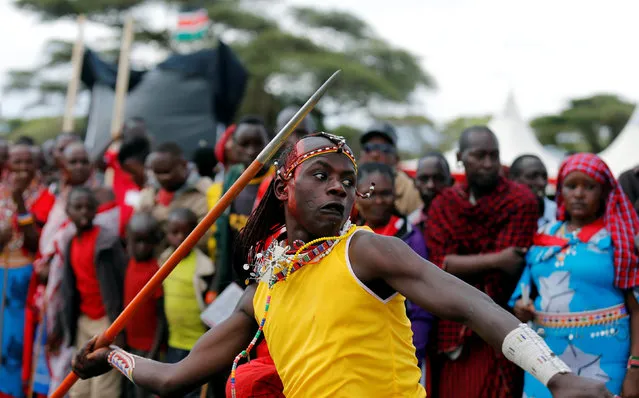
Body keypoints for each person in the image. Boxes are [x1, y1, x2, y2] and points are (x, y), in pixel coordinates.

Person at [72, 132, 613, 398]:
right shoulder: (264, 288)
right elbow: (174, 378)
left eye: (346, 180)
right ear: (284, 186)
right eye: (321, 175)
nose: (339, 186)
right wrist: (112, 356)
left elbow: (472, 303)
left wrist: (556, 376)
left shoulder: (366, 251)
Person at [509, 153, 639, 398]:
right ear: (560, 192)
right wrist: (521, 307)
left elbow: (638, 309)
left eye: (589, 187)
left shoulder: (619, 239)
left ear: (604, 193)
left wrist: (636, 368)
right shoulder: (544, 235)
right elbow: (524, 293)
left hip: (606, 360)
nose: (579, 194)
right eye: (571, 186)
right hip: (546, 361)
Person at [425, 126, 539, 398]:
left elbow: (509, 269)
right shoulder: (445, 203)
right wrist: (496, 259)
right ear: (460, 157)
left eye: (494, 155)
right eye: (479, 155)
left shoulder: (520, 200)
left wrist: (458, 263)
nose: (489, 164)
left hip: (500, 323)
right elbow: (438, 266)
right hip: (451, 326)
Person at [354, 162, 433, 373]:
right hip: (357, 350)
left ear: (396, 195)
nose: (379, 201)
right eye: (371, 194)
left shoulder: (410, 236)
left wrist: (413, 357)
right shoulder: (347, 235)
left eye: (386, 193)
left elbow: (421, 305)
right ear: (357, 195)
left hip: (401, 349)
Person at [59, 186, 127, 398]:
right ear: (68, 211)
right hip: (84, 320)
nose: (83, 213)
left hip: (106, 321)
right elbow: (70, 288)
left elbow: (123, 282)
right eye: (77, 207)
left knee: (104, 388)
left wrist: (120, 327)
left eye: (89, 207)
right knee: (79, 385)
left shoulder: (107, 242)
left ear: (96, 210)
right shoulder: (70, 242)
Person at [0, 144, 54, 398]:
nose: (22, 168)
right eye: (16, 162)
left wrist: (21, 206)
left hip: (26, 279)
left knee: (18, 339)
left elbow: (35, 243)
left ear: (36, 165)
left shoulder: (45, 197)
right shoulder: (1, 190)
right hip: (1, 272)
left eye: (27, 163)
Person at [208, 116, 271, 295]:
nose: (251, 151)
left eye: (258, 143)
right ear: (233, 146)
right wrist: (216, 284)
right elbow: (222, 232)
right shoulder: (232, 178)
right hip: (233, 274)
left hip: (264, 278)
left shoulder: (278, 180)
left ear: (270, 143)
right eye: (244, 144)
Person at [160, 208, 214, 398]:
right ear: (167, 233)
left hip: (197, 345)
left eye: (188, 233)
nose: (181, 238)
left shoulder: (205, 266)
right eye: (175, 233)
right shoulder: (164, 261)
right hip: (174, 342)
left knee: (193, 392)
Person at [137, 142, 212, 253]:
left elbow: (207, 238)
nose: (161, 178)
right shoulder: (149, 195)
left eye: (166, 172)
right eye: (157, 172)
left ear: (183, 164)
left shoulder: (205, 192)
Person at [124, 212, 166, 398]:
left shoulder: (155, 272)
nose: (141, 247)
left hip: (148, 349)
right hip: (130, 345)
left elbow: (161, 316)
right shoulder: (129, 263)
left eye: (146, 242)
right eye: (136, 241)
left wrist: (154, 350)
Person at [359, 122, 423, 216]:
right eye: (368, 148)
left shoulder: (410, 191)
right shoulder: (348, 185)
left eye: (383, 148)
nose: (374, 154)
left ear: (396, 159)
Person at [408, 151, 453, 234]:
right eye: (424, 179)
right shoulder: (408, 227)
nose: (430, 185)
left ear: (451, 182)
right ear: (415, 183)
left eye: (438, 178)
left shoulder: (465, 221)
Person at [510, 154, 557, 228]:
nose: (542, 183)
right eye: (533, 176)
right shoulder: (502, 214)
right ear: (513, 180)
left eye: (544, 176)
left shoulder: (558, 214)